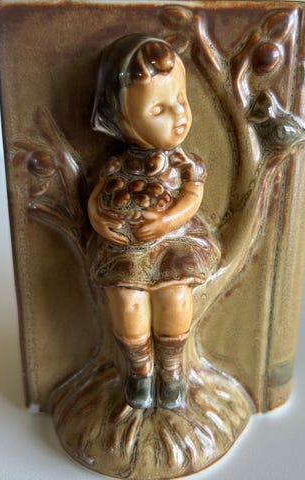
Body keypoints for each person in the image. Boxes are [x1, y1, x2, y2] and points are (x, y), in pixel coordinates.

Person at [88, 35, 220, 410]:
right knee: (127, 303)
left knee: (175, 297)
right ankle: (139, 369)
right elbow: (97, 197)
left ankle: (172, 369)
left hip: (174, 242)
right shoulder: (115, 164)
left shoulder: (183, 163)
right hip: (127, 251)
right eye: (159, 109)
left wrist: (166, 221)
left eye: (181, 100)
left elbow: (191, 196)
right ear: (120, 119)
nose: (179, 116)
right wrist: (98, 218)